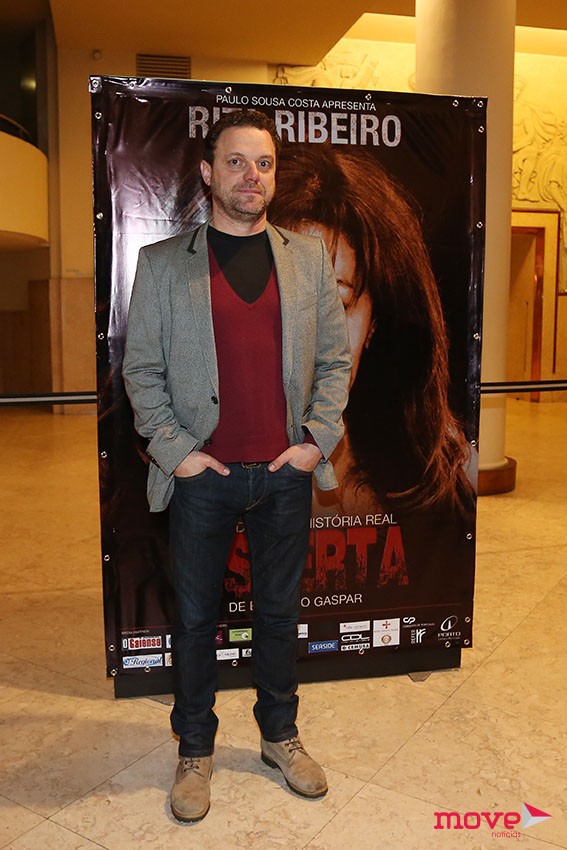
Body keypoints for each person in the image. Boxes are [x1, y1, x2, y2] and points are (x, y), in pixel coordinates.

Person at [122, 110, 351, 822]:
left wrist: (315, 440)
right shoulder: (164, 263)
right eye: (236, 161)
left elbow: (334, 361)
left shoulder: (307, 258)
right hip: (204, 479)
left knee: (279, 617)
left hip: (285, 475)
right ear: (207, 171)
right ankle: (195, 749)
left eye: (264, 163)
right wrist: (179, 453)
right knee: (195, 622)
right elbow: (142, 372)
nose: (251, 176)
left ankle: (280, 736)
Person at [268, 143, 475, 520]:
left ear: (374, 324)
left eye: (336, 305)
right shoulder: (184, 473)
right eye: (282, 301)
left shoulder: (436, 484)